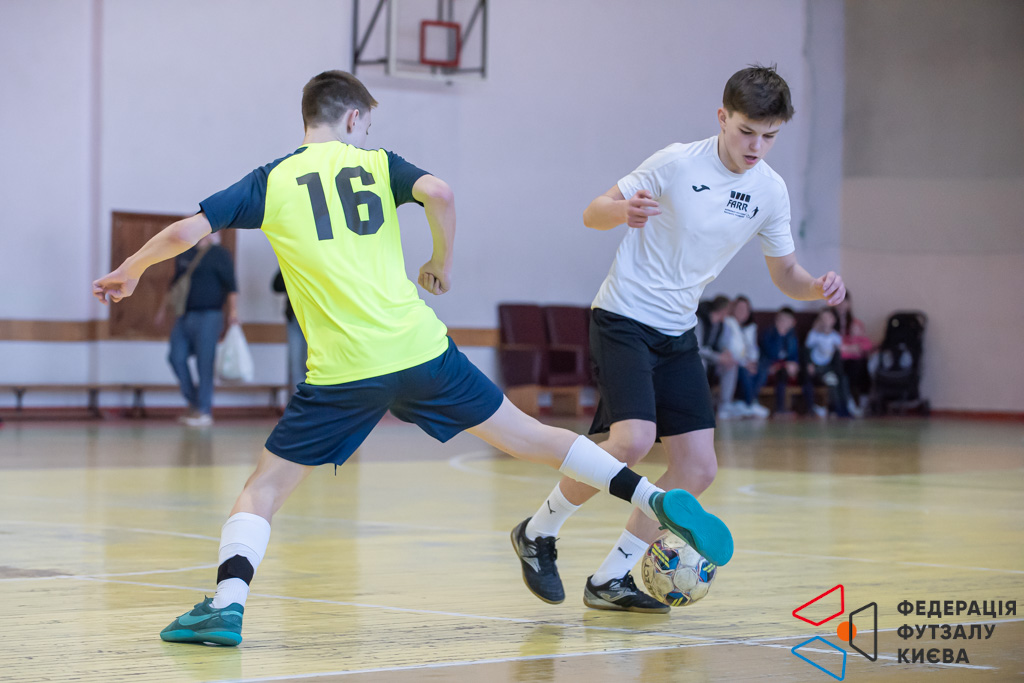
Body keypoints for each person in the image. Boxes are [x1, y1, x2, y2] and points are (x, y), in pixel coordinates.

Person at [91, 70, 733, 646]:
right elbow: (441, 193)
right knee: (532, 437)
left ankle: (226, 606)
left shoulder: (272, 179)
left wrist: (131, 268)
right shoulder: (377, 164)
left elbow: (186, 230)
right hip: (421, 349)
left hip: (343, 371)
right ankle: (652, 496)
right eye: (367, 124)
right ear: (353, 118)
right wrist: (439, 262)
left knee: (264, 488)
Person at [511, 65, 845, 613]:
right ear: (722, 117)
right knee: (632, 442)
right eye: (746, 131)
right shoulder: (676, 162)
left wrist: (816, 288)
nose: (756, 146)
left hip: (677, 331)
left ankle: (611, 579)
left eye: (769, 136)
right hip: (623, 317)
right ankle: (538, 531)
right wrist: (623, 211)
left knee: (698, 468)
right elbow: (594, 213)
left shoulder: (769, 191)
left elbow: (786, 273)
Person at [155, 232, 238, 427]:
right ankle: (194, 403)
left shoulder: (219, 254)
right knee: (176, 357)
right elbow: (175, 284)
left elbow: (232, 285)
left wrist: (233, 312)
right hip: (184, 314)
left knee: (204, 363)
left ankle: (204, 410)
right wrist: (162, 310)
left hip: (210, 315)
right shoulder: (184, 253)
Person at [719, 295, 768, 418]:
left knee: (762, 367)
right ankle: (748, 403)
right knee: (743, 370)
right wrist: (745, 364)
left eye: (745, 309)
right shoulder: (728, 323)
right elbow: (729, 348)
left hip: (745, 361)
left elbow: (753, 348)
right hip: (733, 361)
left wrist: (752, 362)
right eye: (739, 309)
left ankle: (749, 402)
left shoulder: (750, 327)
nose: (742, 312)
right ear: (733, 309)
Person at [803, 309, 853, 418]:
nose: (825, 321)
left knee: (843, 379)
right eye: (823, 318)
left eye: (828, 318)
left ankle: (845, 408)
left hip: (829, 368)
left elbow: (839, 354)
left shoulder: (835, 336)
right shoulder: (814, 334)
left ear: (833, 320)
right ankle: (835, 409)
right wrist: (809, 364)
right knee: (832, 380)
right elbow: (807, 351)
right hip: (817, 368)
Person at [754, 307, 803, 415]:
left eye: (786, 320)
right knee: (777, 372)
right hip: (768, 366)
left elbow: (793, 356)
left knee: (784, 372)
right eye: (781, 320)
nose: (783, 323)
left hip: (783, 369)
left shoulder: (792, 337)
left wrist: (794, 365)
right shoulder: (769, 333)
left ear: (792, 323)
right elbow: (772, 354)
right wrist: (779, 336)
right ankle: (777, 408)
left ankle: (784, 409)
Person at [835, 291, 873, 416]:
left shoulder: (856, 323)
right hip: (840, 359)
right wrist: (848, 349)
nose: (841, 305)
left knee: (862, 366)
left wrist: (852, 348)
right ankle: (850, 402)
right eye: (838, 301)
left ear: (849, 303)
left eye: (843, 301)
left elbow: (866, 345)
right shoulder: (831, 321)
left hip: (856, 360)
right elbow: (836, 346)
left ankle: (863, 403)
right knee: (846, 370)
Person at [272, 269, 308, 391]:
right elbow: (277, 285)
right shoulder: (292, 261)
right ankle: (299, 401)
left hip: (318, 320)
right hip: (295, 317)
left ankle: (313, 400)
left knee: (311, 364)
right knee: (295, 366)